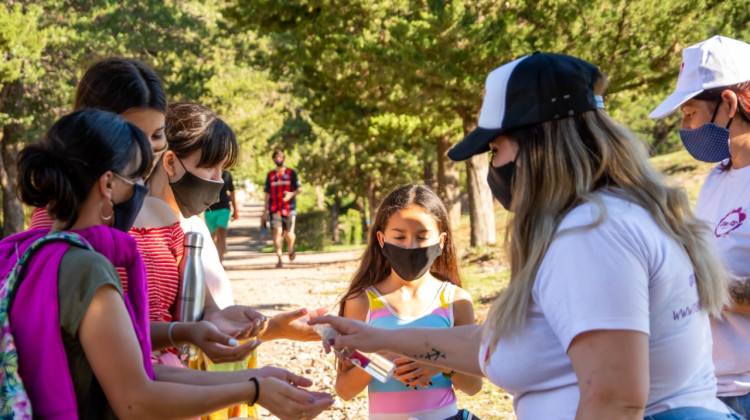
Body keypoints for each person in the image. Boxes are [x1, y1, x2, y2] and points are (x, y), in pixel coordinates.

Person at [310, 52, 738, 419]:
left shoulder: (591, 234)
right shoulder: (613, 214)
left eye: (495, 149)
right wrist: (377, 337)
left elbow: (614, 400)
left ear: (540, 144)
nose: (492, 165)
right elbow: (500, 341)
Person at [3, 109, 333, 419]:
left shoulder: (34, 253)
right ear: (107, 184)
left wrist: (254, 381)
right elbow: (136, 398)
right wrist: (254, 389)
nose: (142, 191)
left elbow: (136, 367)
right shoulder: (88, 268)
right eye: (136, 178)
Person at [649, 35, 750, 417]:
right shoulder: (718, 178)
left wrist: (686, 276)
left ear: (728, 102)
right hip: (708, 385)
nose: (684, 126)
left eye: (689, 112)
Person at [335, 184, 482, 419]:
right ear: (382, 239)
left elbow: (474, 385)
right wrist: (382, 362)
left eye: (422, 237)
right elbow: (344, 390)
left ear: (441, 241)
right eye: (399, 237)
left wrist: (440, 363)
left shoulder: (456, 300)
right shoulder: (362, 302)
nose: (410, 247)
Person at [29, 58, 167, 229]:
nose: (147, 149)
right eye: (133, 137)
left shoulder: (162, 215)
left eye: (157, 134)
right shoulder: (61, 219)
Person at [264, 149, 302, 268]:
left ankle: (290, 247)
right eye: (276, 157)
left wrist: (291, 194)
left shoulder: (292, 173)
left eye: (280, 157)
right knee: (277, 232)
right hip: (274, 208)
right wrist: (265, 210)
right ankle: (279, 258)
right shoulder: (270, 175)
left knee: (289, 234)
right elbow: (267, 194)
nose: (278, 159)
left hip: (289, 208)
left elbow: (299, 189)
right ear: (273, 159)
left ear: (284, 158)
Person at [205, 169, 239, 262]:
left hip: (224, 208)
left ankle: (220, 261)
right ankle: (214, 260)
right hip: (210, 209)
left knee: (221, 232)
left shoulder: (227, 175)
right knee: (212, 236)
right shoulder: (207, 171)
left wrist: (235, 210)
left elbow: (232, 192)